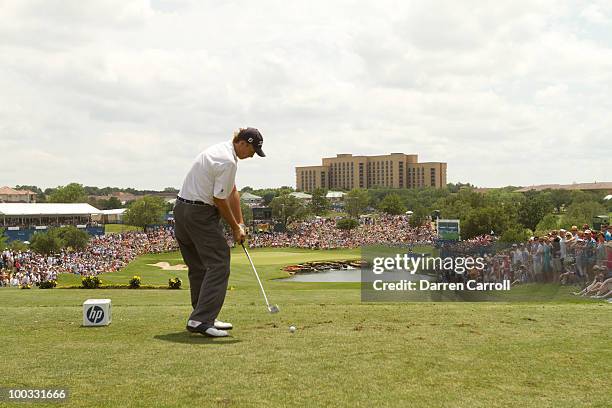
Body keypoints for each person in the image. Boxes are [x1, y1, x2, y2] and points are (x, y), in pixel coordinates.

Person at [174, 128, 265, 337]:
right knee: (219, 261)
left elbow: (232, 190)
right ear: (242, 143)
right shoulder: (228, 161)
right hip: (199, 213)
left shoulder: (221, 151)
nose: (252, 155)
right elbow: (219, 199)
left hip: (182, 209)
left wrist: (241, 222)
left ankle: (201, 317)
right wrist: (234, 227)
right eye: (252, 150)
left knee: (199, 266)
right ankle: (202, 319)